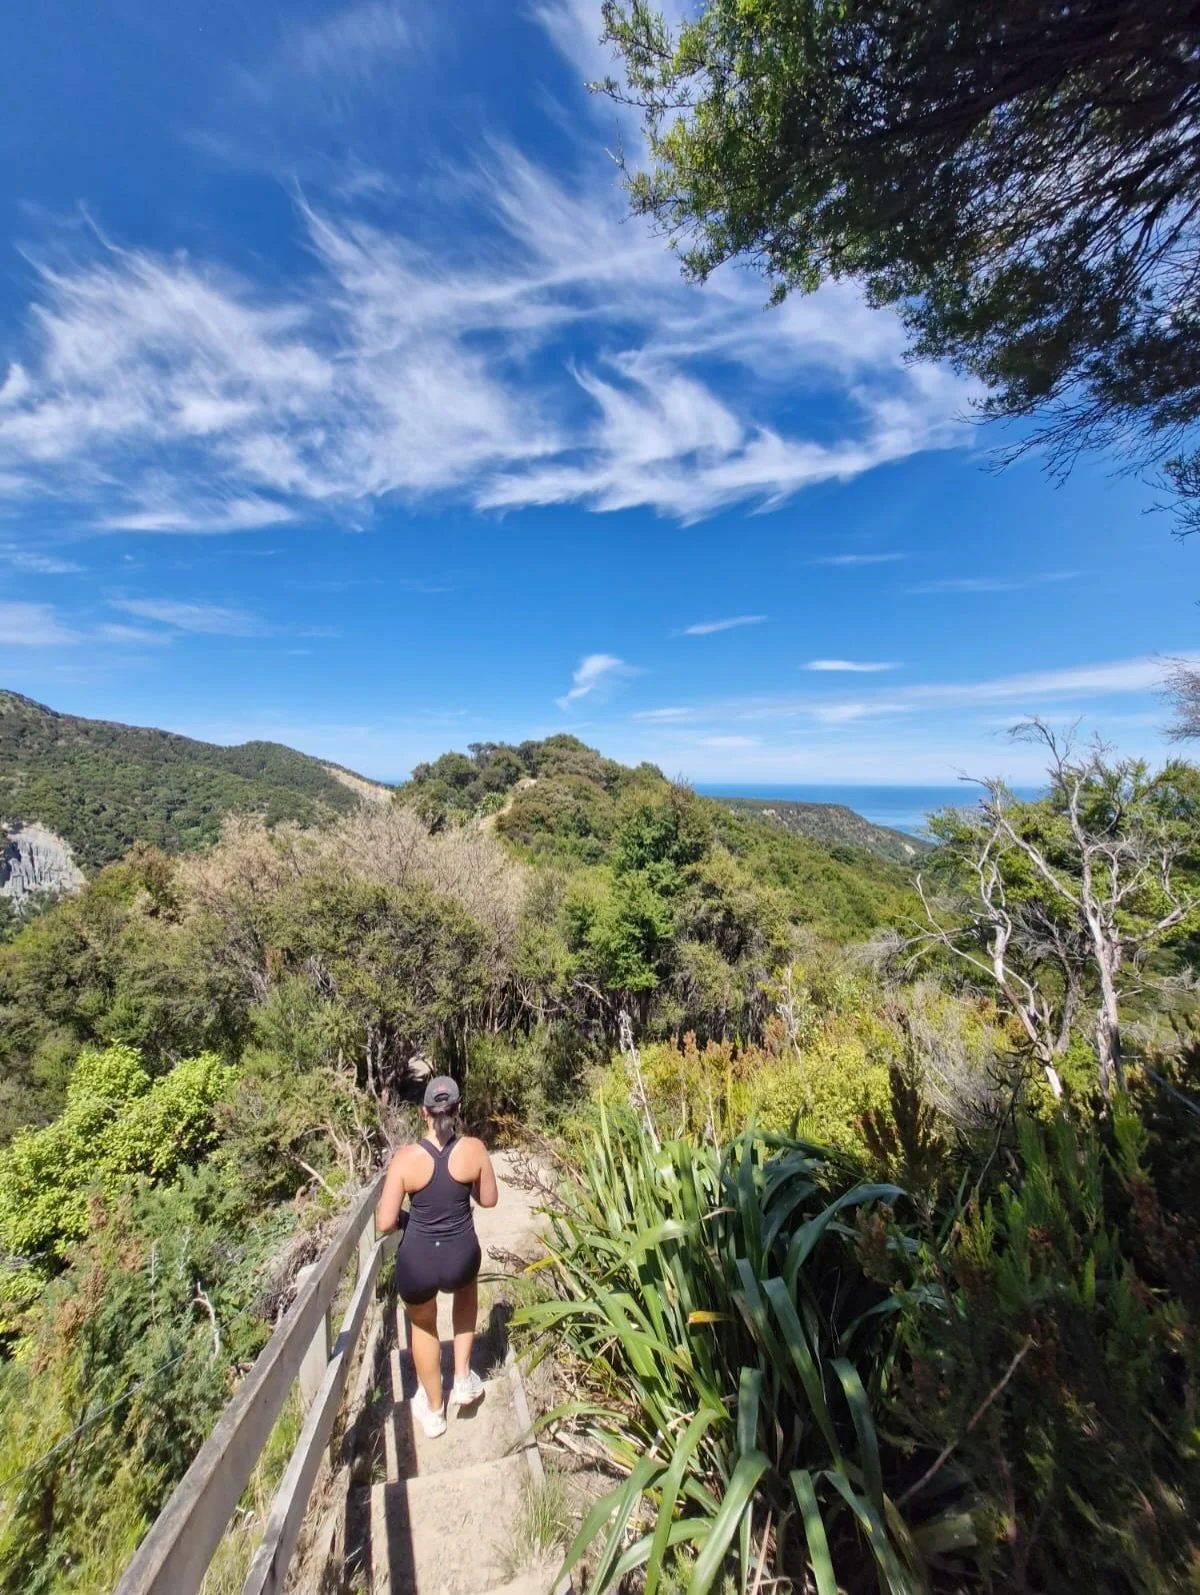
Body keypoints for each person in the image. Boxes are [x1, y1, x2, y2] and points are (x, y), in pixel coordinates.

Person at [375, 1075, 498, 1438]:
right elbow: (489, 1199)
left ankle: (433, 1409)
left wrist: (409, 1217)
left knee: (423, 1324)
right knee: (465, 1294)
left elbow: (384, 1223)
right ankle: (462, 1378)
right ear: (458, 1110)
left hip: (419, 1260)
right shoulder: (474, 1149)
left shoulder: (405, 1158)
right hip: (461, 1254)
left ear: (423, 1112)